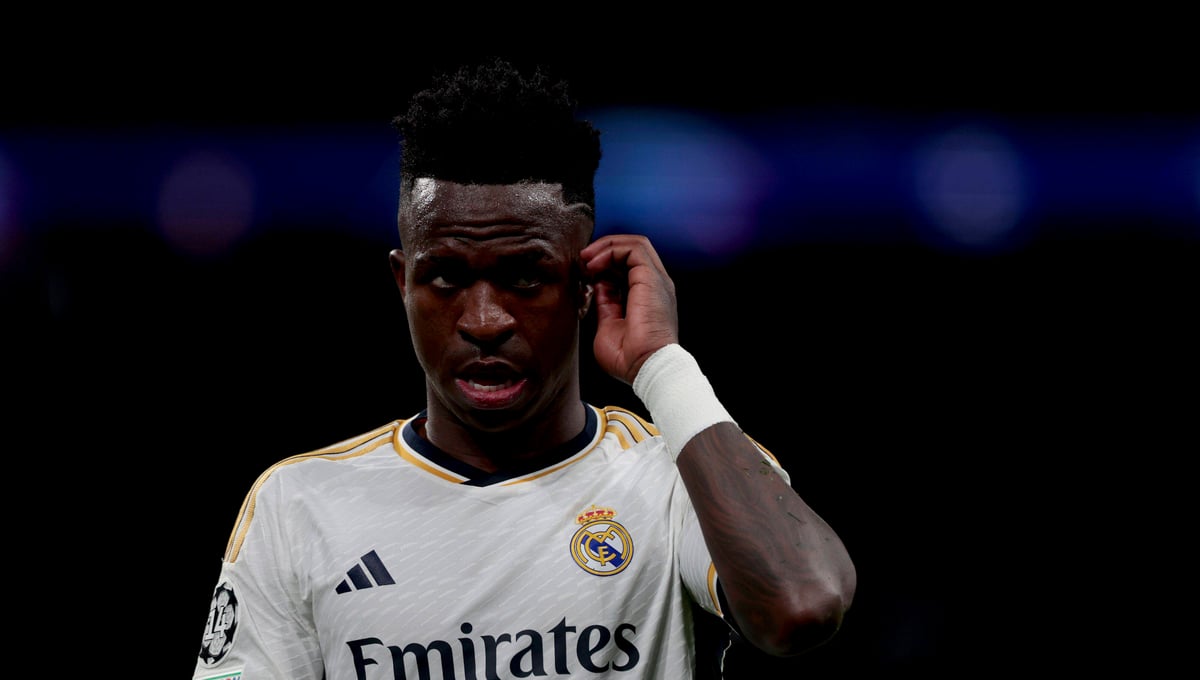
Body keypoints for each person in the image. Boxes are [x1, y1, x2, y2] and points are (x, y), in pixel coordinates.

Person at [190, 56, 856, 680]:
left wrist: (662, 365)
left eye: (525, 277)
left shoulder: (678, 479)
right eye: (446, 277)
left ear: (584, 285)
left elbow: (801, 605)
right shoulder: (299, 506)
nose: (485, 320)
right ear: (402, 282)